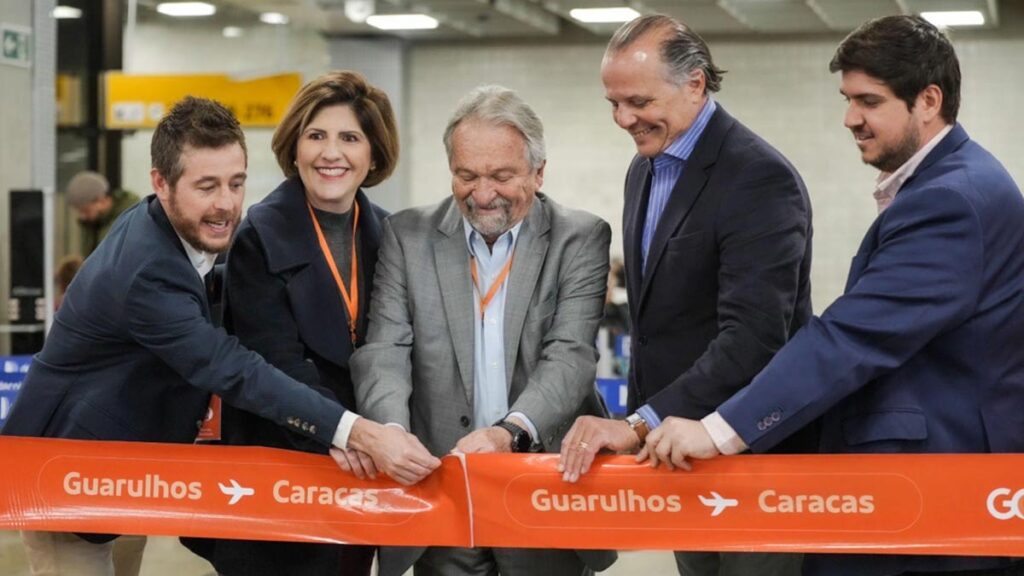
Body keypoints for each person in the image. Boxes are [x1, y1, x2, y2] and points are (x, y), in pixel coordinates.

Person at [636, 15, 1024, 576]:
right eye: (848, 100)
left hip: (939, 499)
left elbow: (853, 338)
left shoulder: (952, 200)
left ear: (929, 101)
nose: (850, 119)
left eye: (869, 101)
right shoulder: (951, 183)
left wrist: (719, 430)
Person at [1, 96, 439, 576]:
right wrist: (356, 431)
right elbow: (233, 369)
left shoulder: (171, 229)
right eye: (207, 186)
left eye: (236, 183)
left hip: (124, 464)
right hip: (67, 470)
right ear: (161, 183)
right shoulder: (148, 273)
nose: (227, 204)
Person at [558, 14, 813, 576]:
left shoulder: (757, 176)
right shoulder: (644, 169)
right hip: (678, 457)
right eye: (613, 103)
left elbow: (754, 339)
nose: (623, 119)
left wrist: (638, 422)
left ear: (695, 84)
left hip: (753, 459)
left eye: (639, 101)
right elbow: (655, 327)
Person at [350, 85, 617, 576]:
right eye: (466, 175)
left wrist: (509, 433)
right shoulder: (407, 236)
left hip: (542, 485)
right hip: (441, 486)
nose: (483, 193)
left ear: (538, 172)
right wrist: (391, 433)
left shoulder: (580, 238)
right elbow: (385, 348)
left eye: (501, 176)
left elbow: (570, 355)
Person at [185, 71, 397, 576]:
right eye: (316, 135)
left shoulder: (390, 234)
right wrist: (350, 435)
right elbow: (276, 362)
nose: (331, 153)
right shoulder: (258, 235)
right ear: (295, 148)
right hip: (283, 471)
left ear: (373, 154)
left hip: (365, 471)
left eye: (350, 138)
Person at [65, 170, 140, 257]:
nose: (82, 216)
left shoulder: (131, 219)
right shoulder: (93, 223)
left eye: (85, 210)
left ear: (101, 201)